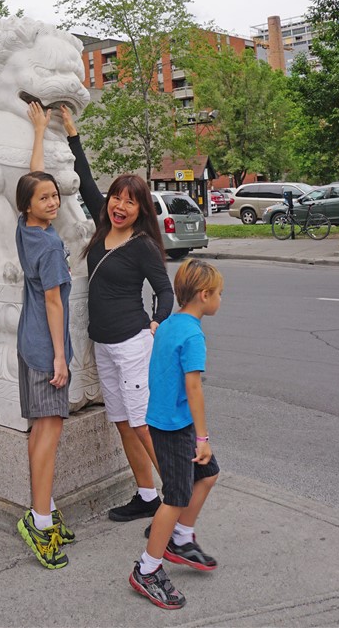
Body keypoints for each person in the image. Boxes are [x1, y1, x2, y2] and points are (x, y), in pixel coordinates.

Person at [62, 105, 174, 523]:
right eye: (116, 199)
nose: (119, 206)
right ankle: (147, 495)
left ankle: (177, 503)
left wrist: (155, 321)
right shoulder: (103, 227)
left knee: (144, 425)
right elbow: (85, 179)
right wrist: (72, 134)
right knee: (124, 423)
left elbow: (164, 291)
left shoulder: (143, 245)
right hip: (104, 345)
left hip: (132, 344)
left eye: (130, 201)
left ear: (141, 208)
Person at [129, 257, 223, 610]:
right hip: (175, 428)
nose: (220, 300)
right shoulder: (193, 335)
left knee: (208, 476)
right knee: (175, 499)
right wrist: (203, 438)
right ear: (203, 295)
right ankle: (147, 569)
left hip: (167, 420)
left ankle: (180, 538)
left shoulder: (168, 324)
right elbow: (193, 387)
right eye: (218, 294)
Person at [16, 103, 75, 571]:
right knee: (48, 435)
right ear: (29, 207)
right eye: (46, 199)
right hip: (44, 350)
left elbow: (32, 179)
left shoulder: (27, 231)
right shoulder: (52, 245)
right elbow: (54, 304)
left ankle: (46, 510)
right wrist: (60, 359)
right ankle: (39, 523)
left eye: (55, 195)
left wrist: (39, 132)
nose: (52, 201)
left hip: (27, 342)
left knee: (40, 430)